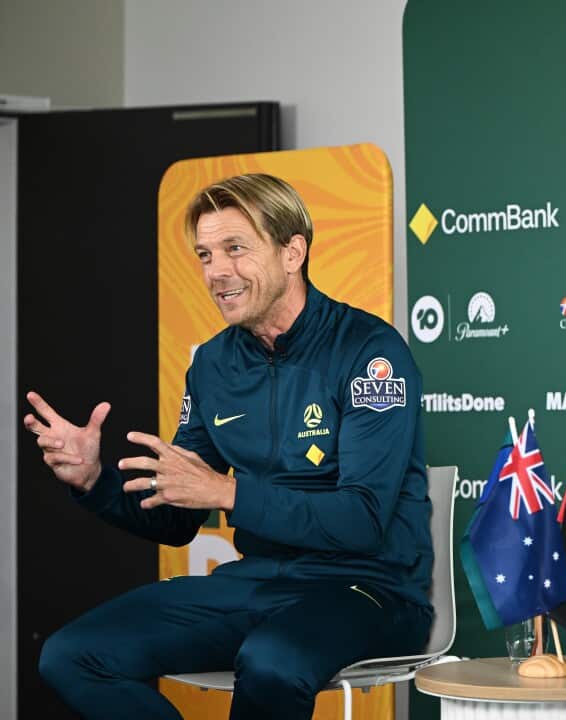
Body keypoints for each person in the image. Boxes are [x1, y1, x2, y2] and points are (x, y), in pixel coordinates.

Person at [25, 173, 434, 720]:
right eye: (205, 254)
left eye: (235, 248)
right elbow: (176, 519)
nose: (215, 271)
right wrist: (95, 482)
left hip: (370, 590)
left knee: (271, 661)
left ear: (292, 253)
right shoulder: (213, 365)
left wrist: (228, 493)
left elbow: (362, 520)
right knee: (72, 655)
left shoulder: (369, 351)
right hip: (258, 584)